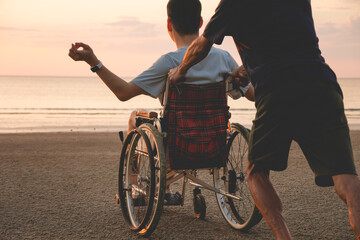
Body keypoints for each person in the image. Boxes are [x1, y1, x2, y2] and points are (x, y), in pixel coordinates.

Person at [168, 0, 360, 239]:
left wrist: (181, 70)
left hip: (277, 91)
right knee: (346, 179)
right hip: (321, 84)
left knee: (256, 173)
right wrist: (248, 67)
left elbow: (201, 46)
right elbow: (284, 39)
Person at [69, 0, 254, 205]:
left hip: (177, 145)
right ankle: (163, 188)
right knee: (167, 128)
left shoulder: (170, 62)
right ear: (201, 22)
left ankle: (136, 189)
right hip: (214, 143)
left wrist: (94, 62)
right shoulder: (224, 58)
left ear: (169, 25)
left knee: (135, 118)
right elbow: (253, 95)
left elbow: (123, 92)